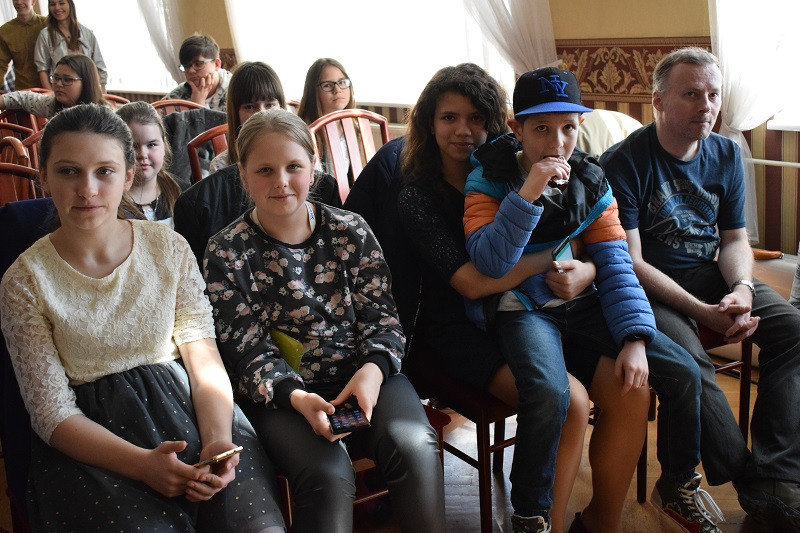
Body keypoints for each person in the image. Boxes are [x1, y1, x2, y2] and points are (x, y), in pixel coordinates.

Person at [0, 104, 284, 532]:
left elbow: (203, 356)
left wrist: (218, 442)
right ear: (44, 177)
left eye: (105, 171)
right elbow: (51, 413)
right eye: (69, 171)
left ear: (129, 176)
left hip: (192, 412)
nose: (87, 189)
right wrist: (143, 466)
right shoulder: (24, 281)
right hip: (94, 445)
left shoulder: (169, 248)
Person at [391, 63, 646, 533]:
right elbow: (473, 282)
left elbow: (597, 241)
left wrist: (588, 268)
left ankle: (601, 520)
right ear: (430, 123)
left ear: (497, 125)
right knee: (569, 402)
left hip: (539, 308)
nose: (463, 130)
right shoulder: (419, 196)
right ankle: (542, 522)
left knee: (631, 389)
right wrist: (559, 256)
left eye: (475, 118)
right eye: (449, 118)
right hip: (460, 327)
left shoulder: (518, 168)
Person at [462, 66, 714, 533]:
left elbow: (616, 262)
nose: (556, 143)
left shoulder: (592, 180)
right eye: (541, 128)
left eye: (567, 128)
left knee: (681, 370)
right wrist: (528, 192)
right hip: (525, 311)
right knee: (549, 391)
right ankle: (531, 515)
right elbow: (490, 262)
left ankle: (677, 484)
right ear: (517, 129)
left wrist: (635, 338)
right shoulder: (489, 177)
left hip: (584, 305)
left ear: (580, 126)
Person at [203, 109, 445, 533]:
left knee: (415, 447)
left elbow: (384, 319)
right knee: (328, 477)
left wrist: (372, 373)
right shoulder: (226, 252)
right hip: (283, 396)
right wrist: (298, 397)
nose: (281, 181)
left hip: (363, 373)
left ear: (313, 168)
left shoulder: (350, 230)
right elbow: (247, 351)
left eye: (293, 166)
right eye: (265, 170)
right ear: (242, 175)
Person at [600, 46, 800, 532]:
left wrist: (743, 288)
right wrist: (702, 311)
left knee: (795, 331)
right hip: (648, 289)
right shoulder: (623, 161)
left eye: (713, 95)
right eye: (691, 94)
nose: (706, 106)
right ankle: (749, 483)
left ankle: (777, 474)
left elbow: (733, 239)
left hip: (710, 275)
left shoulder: (726, 153)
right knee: (689, 364)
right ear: (658, 101)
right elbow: (632, 262)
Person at [208, 61, 286, 173]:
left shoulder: (299, 153)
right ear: (236, 113)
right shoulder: (222, 166)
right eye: (250, 107)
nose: (261, 114)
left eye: (270, 105)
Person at [117, 101, 182, 227]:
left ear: (164, 145)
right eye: (133, 146)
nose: (142, 154)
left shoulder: (179, 191)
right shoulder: (110, 201)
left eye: (151, 145)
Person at [0, 52, 106, 118]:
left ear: (86, 83)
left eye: (67, 80)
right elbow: (24, 98)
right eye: (56, 78)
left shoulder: (104, 116)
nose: (58, 84)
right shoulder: (52, 104)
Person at [297, 58, 355, 174]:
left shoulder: (353, 126)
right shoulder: (305, 134)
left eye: (342, 82)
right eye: (328, 85)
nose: (337, 90)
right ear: (313, 92)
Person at [34, 0, 106, 91]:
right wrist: (51, 95)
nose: (57, 8)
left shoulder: (87, 33)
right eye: (52, 4)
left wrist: (102, 93)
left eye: (61, 3)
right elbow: (42, 69)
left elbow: (99, 67)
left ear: (70, 5)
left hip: (88, 90)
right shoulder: (45, 35)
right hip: (61, 90)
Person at [165, 34, 231, 112]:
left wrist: (198, 106)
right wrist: (197, 103)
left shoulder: (236, 88)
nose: (190, 71)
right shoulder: (175, 99)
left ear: (217, 64)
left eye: (198, 64)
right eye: (186, 66)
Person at [0, 0, 47, 90]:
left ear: (33, 1)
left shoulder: (47, 24)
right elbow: (1, 64)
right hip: (23, 90)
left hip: (50, 88)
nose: (18, 2)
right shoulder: (5, 31)